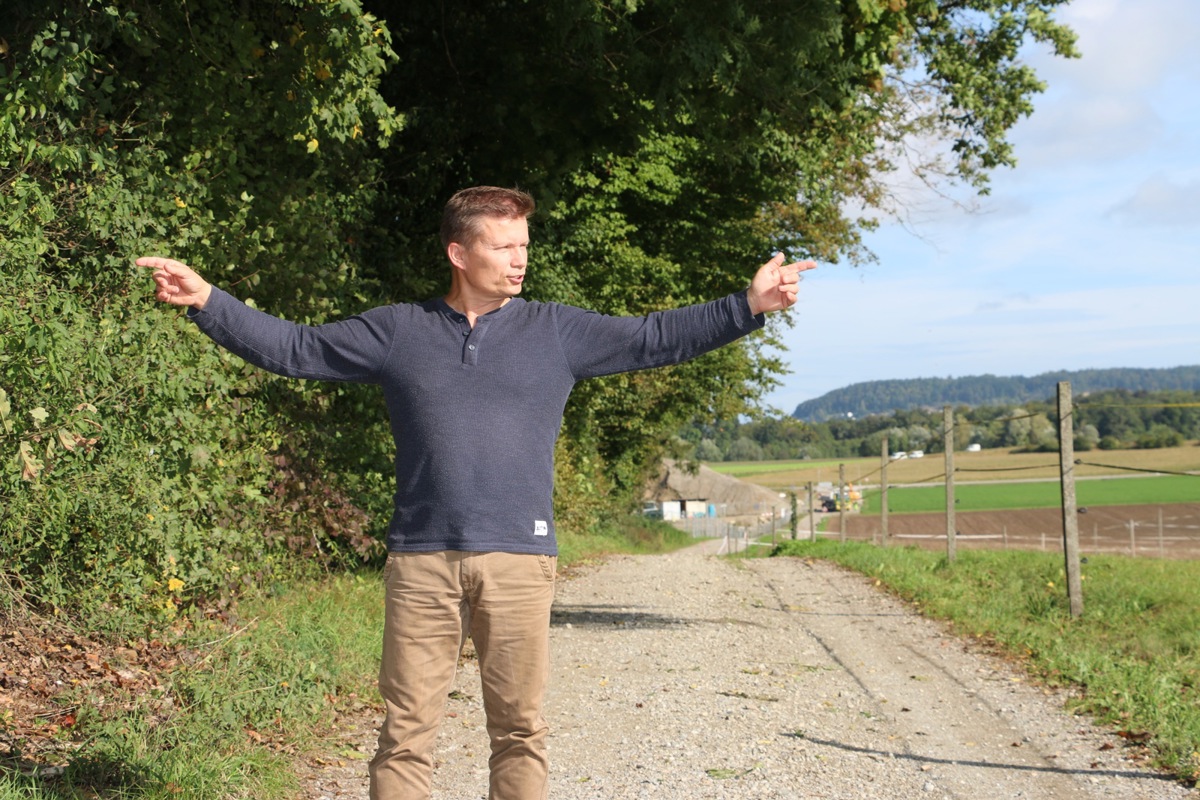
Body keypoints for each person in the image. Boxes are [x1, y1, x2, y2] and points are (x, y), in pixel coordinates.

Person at [139, 185, 814, 800]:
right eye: (504, 246)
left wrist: (747, 306)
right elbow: (296, 349)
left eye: (524, 246)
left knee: (520, 728)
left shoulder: (556, 331)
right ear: (459, 252)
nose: (520, 260)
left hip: (520, 559)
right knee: (405, 734)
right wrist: (207, 301)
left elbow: (652, 338)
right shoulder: (399, 332)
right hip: (421, 560)